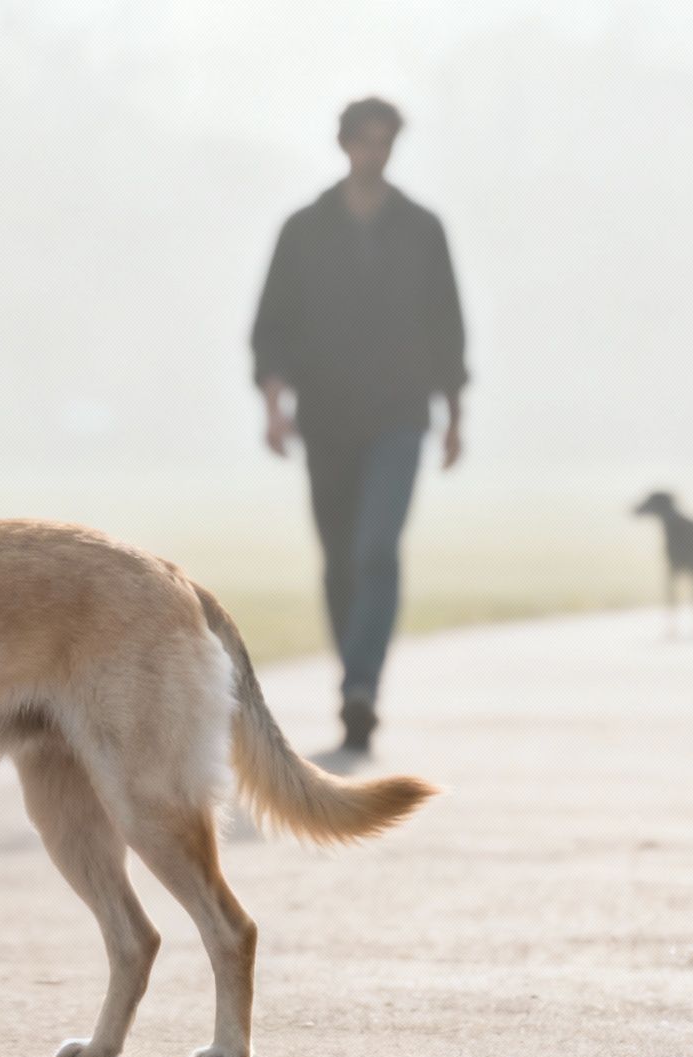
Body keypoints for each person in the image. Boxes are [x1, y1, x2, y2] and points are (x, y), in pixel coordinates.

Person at [250, 96, 468, 754]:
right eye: (365, 141)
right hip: (326, 417)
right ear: (343, 143)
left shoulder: (422, 228)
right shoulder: (304, 229)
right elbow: (272, 325)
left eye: (385, 142)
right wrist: (272, 405)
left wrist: (455, 415)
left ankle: (361, 685)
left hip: (402, 415)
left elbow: (447, 326)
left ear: (395, 147)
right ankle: (354, 675)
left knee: (377, 550)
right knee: (340, 560)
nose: (375, 153)